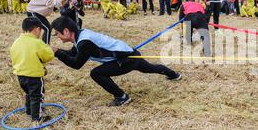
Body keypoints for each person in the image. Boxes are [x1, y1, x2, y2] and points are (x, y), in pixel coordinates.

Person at [51, 16, 182, 106]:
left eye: (57, 33)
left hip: (126, 59)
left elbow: (76, 64)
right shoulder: (80, 36)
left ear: (66, 31)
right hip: (128, 54)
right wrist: (57, 51)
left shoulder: (84, 42)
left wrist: (58, 53)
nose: (57, 36)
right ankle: (174, 75)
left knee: (96, 73)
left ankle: (122, 97)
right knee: (150, 68)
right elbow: (73, 53)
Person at [10, 17, 55, 123]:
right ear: (36, 29)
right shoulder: (37, 43)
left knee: (29, 93)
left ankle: (29, 110)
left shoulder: (16, 42)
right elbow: (48, 56)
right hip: (34, 76)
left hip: (20, 75)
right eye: (40, 30)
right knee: (37, 96)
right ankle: (37, 117)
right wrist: (50, 49)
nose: (40, 33)